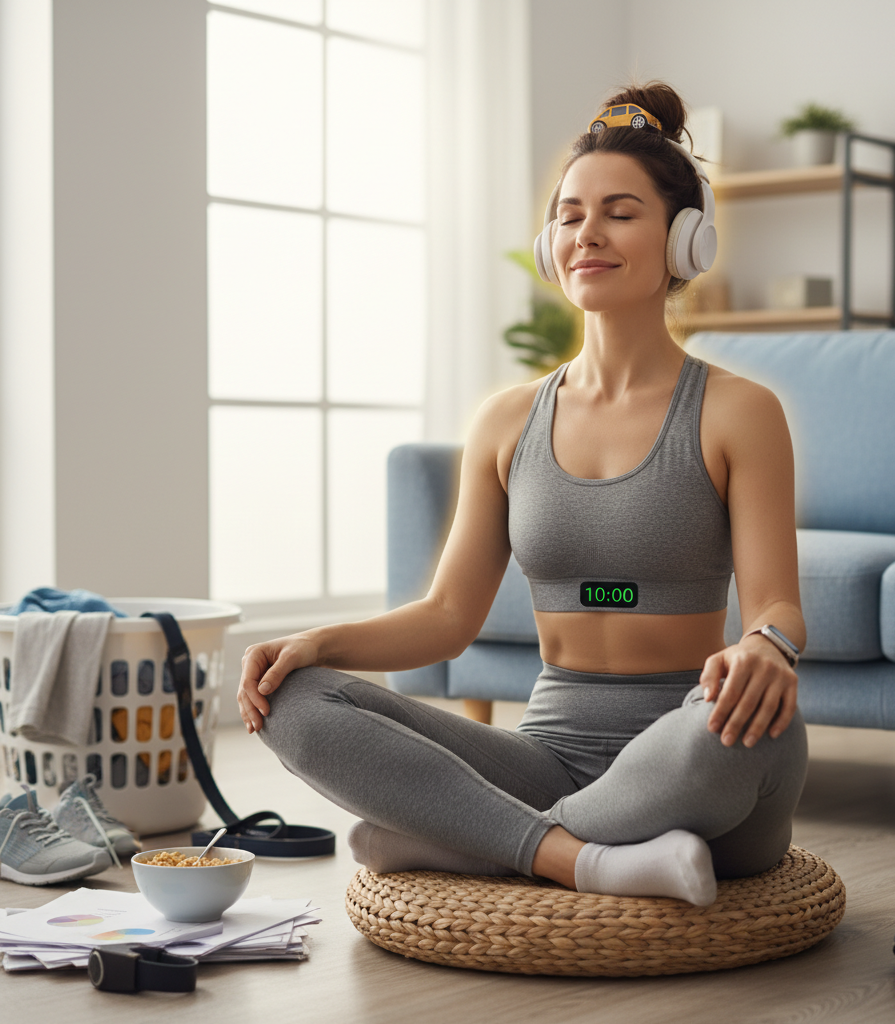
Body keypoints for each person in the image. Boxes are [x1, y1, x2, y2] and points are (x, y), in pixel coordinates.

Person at [236, 81, 807, 906]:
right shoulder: (507, 422)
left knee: (754, 735)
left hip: (692, 741)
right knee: (293, 700)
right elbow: (447, 617)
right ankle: (577, 857)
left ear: (686, 239)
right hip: (545, 759)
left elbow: (777, 606)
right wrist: (316, 643)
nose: (588, 234)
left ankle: (468, 838)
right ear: (549, 245)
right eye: (570, 216)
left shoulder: (737, 411)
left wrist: (766, 647)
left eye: (619, 213)